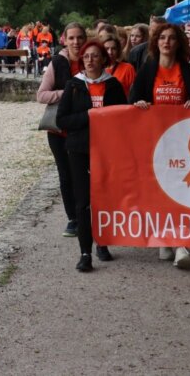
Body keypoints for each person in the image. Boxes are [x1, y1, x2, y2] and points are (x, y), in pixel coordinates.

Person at [129, 22, 190, 269]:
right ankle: (164, 236)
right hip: (155, 142)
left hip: (183, 142)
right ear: (156, 42)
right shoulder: (148, 68)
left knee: (181, 191)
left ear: (179, 42)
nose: (167, 42)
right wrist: (139, 104)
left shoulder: (189, 69)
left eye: (172, 38)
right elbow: (133, 99)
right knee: (160, 190)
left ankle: (181, 243)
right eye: (162, 37)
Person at [57, 39, 128, 271]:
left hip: (107, 150)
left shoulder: (114, 85)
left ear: (103, 59)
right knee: (83, 201)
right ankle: (85, 251)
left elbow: (123, 118)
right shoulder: (74, 85)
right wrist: (89, 116)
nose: (90, 60)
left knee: (105, 199)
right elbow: (62, 120)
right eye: (86, 56)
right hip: (78, 149)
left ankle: (103, 242)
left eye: (95, 56)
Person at [37, 22, 87, 238]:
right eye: (72, 38)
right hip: (59, 131)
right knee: (65, 175)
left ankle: (87, 214)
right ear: (64, 40)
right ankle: (73, 219)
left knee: (84, 174)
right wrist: (66, 92)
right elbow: (42, 95)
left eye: (79, 38)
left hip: (84, 128)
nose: (76, 42)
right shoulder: (57, 63)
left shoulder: (92, 59)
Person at [100, 30, 136, 97]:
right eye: (106, 48)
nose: (110, 52)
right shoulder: (96, 69)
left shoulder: (127, 68)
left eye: (113, 49)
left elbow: (135, 94)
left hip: (121, 106)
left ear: (118, 50)